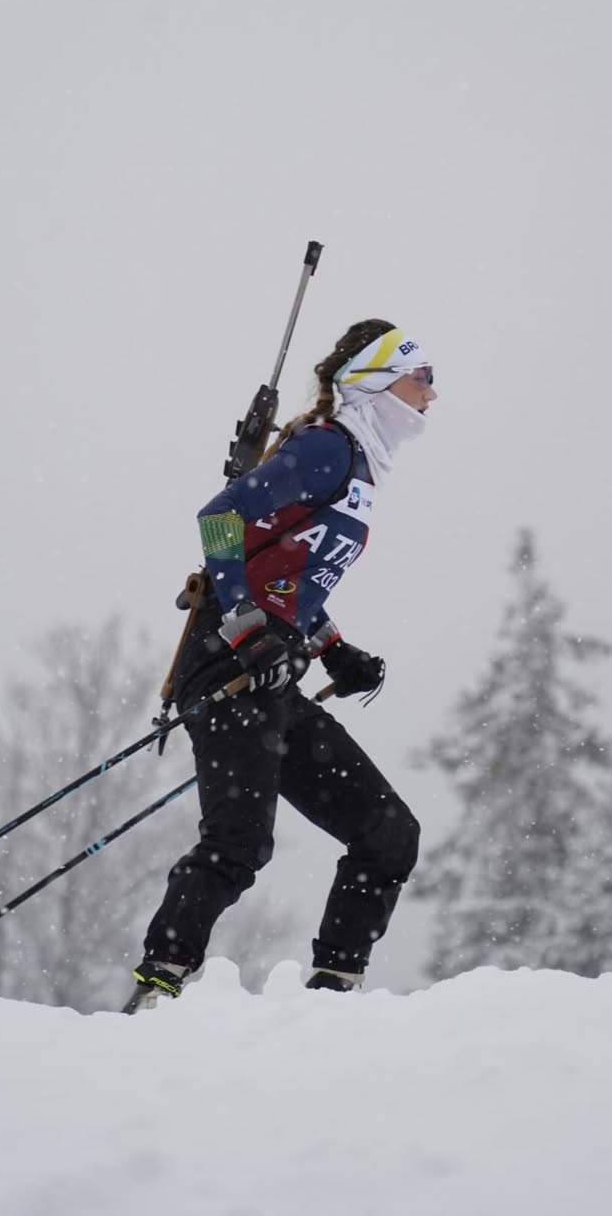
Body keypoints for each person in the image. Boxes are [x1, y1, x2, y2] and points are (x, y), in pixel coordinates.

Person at [123, 318, 437, 1012]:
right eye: (423, 377)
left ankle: (331, 1001)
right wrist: (243, 631)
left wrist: (333, 649)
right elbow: (218, 519)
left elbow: (288, 580)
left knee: (389, 834)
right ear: (381, 383)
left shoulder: (358, 463)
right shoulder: (329, 448)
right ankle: (157, 988)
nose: (433, 395)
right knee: (238, 844)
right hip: (228, 668)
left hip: (271, 675)